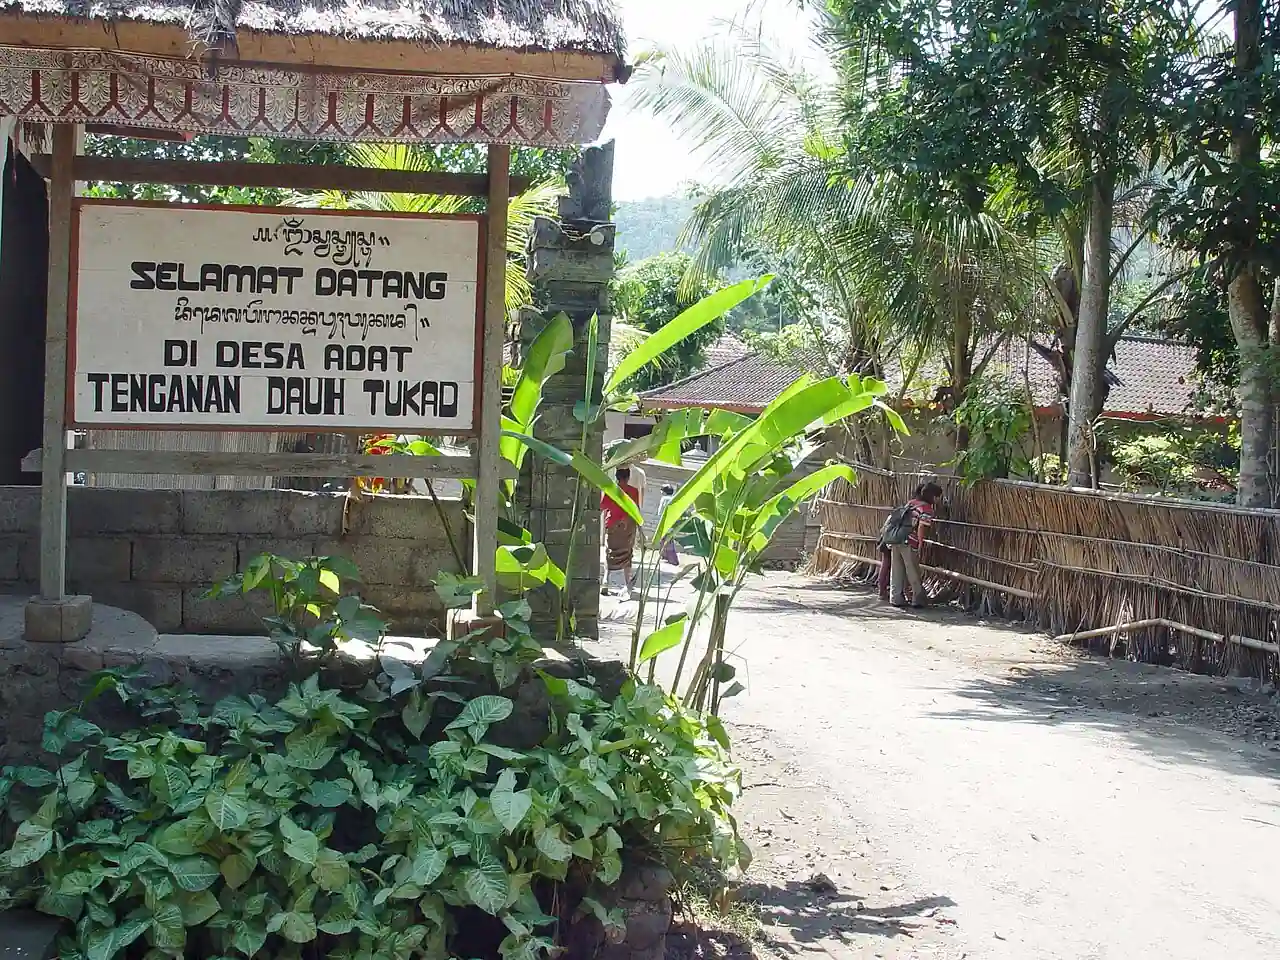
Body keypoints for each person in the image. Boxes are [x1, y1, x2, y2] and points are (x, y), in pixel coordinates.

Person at [879, 480, 943, 609]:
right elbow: (921, 527)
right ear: (933, 496)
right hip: (909, 541)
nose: (938, 500)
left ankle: (895, 598)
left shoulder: (911, 503)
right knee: (912, 570)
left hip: (896, 539)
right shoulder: (926, 508)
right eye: (937, 497)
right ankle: (917, 599)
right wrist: (919, 543)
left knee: (896, 570)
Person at [601, 467, 641, 594]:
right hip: (627, 527)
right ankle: (628, 584)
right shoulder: (634, 491)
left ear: (617, 477)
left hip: (612, 525)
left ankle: (605, 581)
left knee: (609, 553)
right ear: (628, 477)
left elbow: (602, 506)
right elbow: (636, 510)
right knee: (627, 554)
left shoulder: (611, 490)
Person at [656, 483, 679, 565]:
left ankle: (671, 559)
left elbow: (660, 512)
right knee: (668, 539)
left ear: (664, 492)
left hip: (665, 523)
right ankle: (664, 556)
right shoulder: (674, 498)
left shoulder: (664, 499)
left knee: (665, 540)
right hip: (672, 523)